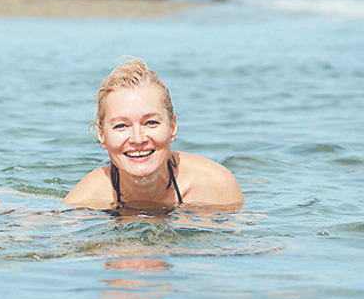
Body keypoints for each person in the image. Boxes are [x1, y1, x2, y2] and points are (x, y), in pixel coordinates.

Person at [64, 58, 244, 208]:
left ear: (172, 127)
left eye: (151, 123)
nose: (138, 138)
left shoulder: (216, 186)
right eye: (121, 126)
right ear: (102, 136)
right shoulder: (86, 200)